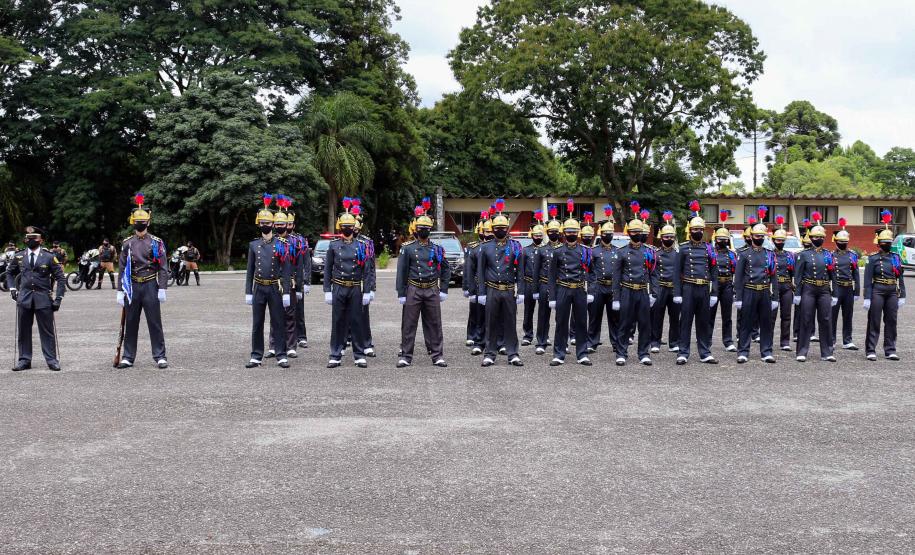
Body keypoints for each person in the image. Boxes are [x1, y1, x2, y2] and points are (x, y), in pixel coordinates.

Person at [116, 193, 169, 369]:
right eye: (137, 221)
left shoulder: (156, 242)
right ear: (133, 222)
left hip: (149, 285)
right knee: (131, 322)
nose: (140, 224)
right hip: (132, 286)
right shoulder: (127, 243)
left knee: (154, 322)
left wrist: (162, 288)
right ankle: (128, 356)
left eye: (143, 221)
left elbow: (162, 267)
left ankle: (160, 355)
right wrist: (119, 290)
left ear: (148, 222)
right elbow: (122, 268)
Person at [396, 203, 451, 367]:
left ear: (430, 230)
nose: (423, 230)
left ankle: (437, 355)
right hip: (414, 288)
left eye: (426, 228)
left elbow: (446, 269)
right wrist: (401, 292)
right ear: (416, 229)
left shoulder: (437, 249)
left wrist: (444, 289)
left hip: (432, 289)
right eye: (421, 227)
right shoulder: (408, 249)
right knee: (409, 324)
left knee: (434, 323)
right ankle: (406, 356)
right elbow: (402, 272)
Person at [324, 198, 376, 368]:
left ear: (355, 227)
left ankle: (359, 354)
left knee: (357, 320)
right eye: (344, 226)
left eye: (350, 226)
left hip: (355, 287)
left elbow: (367, 270)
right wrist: (327, 290)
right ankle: (335, 354)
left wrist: (367, 290)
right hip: (338, 286)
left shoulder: (362, 246)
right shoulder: (333, 245)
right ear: (340, 227)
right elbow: (328, 268)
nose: (347, 229)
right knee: (338, 321)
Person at [6, 226, 66, 371]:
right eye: (28, 238)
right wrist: (13, 289)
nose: (31, 240)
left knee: (47, 331)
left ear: (41, 240)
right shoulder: (19, 256)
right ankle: (24, 360)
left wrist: (58, 298)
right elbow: (9, 273)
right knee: (23, 330)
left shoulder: (49, 257)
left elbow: (61, 278)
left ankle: (51, 360)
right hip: (24, 298)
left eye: (34, 238)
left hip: (43, 298)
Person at [244, 194, 293, 369]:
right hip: (259, 287)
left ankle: (281, 354)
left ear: (273, 224)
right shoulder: (253, 245)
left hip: (275, 287)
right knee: (257, 323)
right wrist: (248, 292)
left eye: (268, 223)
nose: (265, 225)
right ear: (259, 224)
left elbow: (286, 270)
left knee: (278, 321)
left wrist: (286, 292)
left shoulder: (281, 244)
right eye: (262, 223)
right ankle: (256, 355)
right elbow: (250, 271)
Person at [477, 199, 524, 367]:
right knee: (491, 322)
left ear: (507, 229)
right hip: (492, 290)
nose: (500, 231)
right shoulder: (485, 247)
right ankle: (490, 353)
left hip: (509, 289)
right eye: (497, 229)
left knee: (510, 322)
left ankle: (513, 353)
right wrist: (481, 292)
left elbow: (520, 270)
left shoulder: (516, 247)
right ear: (492, 230)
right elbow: (481, 272)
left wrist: (522, 291)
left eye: (503, 228)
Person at [673, 201, 719, 365]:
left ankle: (705, 352)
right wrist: (677, 293)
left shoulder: (709, 249)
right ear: (690, 231)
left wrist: (714, 292)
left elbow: (714, 272)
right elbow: (676, 273)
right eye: (695, 229)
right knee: (685, 321)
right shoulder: (683, 249)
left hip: (704, 289)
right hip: (688, 288)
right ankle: (683, 352)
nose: (698, 232)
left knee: (703, 322)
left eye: (700, 229)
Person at [611, 203, 657, 366]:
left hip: (643, 291)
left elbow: (654, 274)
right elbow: (616, 277)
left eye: (639, 232)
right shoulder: (621, 252)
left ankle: (643, 353)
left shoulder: (649, 251)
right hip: (627, 291)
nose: (637, 234)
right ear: (629, 233)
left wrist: (654, 293)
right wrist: (616, 298)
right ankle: (621, 352)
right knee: (624, 323)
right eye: (634, 232)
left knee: (645, 324)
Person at [547, 214, 593, 366]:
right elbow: (552, 276)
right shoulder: (558, 251)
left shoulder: (586, 251)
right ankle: (559, 354)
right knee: (561, 322)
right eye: (569, 231)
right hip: (563, 289)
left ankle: (582, 354)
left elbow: (592, 273)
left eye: (574, 231)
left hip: (580, 289)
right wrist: (552, 297)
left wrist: (590, 291)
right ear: (564, 233)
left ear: (578, 232)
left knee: (581, 322)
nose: (572, 234)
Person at [793, 213, 837, 362]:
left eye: (821, 237)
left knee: (826, 319)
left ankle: (827, 352)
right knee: (806, 319)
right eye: (816, 237)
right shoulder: (803, 255)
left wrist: (835, 293)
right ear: (811, 238)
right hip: (808, 289)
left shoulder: (828, 255)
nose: (819, 239)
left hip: (824, 289)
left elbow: (833, 275)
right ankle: (802, 351)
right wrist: (797, 293)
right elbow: (798, 276)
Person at [734, 221, 777, 363]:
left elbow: (773, 276)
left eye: (762, 235)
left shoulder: (769, 254)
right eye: (757, 235)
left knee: (766, 323)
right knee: (746, 322)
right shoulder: (744, 254)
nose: (759, 238)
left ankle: (766, 352)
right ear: (751, 236)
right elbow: (738, 277)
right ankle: (743, 351)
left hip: (764, 291)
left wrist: (775, 296)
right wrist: (738, 297)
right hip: (749, 291)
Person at [864, 218, 906, 361]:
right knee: (874, 320)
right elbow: (867, 280)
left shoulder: (896, 258)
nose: (887, 244)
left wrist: (902, 295)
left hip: (892, 291)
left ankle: (890, 349)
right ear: (879, 244)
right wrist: (867, 297)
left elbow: (900, 277)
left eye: (889, 242)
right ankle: (870, 349)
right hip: (878, 290)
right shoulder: (873, 258)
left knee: (891, 320)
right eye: (885, 242)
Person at [266, 203, 298, 360]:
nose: (279, 226)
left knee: (290, 315)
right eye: (277, 224)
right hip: (272, 282)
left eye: (282, 224)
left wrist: (300, 284)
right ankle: (273, 345)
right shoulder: (269, 241)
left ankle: (291, 346)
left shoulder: (294, 242)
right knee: (274, 315)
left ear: (287, 224)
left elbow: (298, 264)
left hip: (289, 282)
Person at [586, 207, 619, 356]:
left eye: (610, 234)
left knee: (615, 318)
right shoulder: (593, 251)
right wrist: (591, 288)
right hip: (598, 287)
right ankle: (592, 342)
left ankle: (616, 342)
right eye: (606, 233)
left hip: (612, 288)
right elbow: (589, 271)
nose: (608, 236)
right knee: (594, 316)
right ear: (601, 234)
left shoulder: (617, 251)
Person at [531, 207, 561, 355]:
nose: (553, 233)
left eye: (556, 231)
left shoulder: (563, 249)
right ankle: (541, 342)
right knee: (543, 315)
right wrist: (535, 289)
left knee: (561, 316)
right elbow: (536, 272)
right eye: (551, 231)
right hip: (544, 285)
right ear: (547, 233)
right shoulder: (541, 250)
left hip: (560, 286)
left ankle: (562, 343)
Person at [650, 213, 680, 354]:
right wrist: (654, 291)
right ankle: (655, 342)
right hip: (660, 288)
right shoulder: (655, 254)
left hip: (674, 289)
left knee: (675, 317)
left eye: (671, 237)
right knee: (657, 317)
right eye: (667, 237)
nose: (669, 239)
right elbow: (653, 274)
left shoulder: (678, 254)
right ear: (661, 238)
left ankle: (673, 342)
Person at [831, 219, 860, 350]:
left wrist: (857, 291)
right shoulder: (830, 256)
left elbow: (856, 274)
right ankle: (831, 340)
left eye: (845, 242)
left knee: (848, 315)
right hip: (836, 288)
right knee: (832, 316)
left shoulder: (852, 256)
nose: (843, 244)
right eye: (841, 242)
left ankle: (847, 340)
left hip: (848, 288)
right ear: (836, 242)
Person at [710, 215, 737, 352]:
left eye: (725, 239)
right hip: (714, 285)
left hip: (727, 284)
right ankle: (707, 340)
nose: (723, 241)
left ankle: (728, 341)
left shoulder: (732, 254)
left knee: (727, 315)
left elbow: (735, 270)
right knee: (710, 314)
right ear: (716, 239)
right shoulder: (710, 252)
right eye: (721, 239)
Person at [286, 207, 311, 349]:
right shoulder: (277, 239)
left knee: (298, 310)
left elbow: (306, 261)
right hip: (281, 280)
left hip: (297, 279)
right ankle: (286, 336)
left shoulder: (300, 240)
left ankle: (301, 336)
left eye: (290, 224)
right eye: (285, 224)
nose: (287, 227)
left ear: (293, 225)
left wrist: (307, 281)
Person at [771, 216, 796, 352]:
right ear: (773, 240)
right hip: (773, 288)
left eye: (782, 240)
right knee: (771, 315)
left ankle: (785, 341)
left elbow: (793, 273)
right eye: (778, 240)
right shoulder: (769, 255)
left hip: (786, 287)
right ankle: (768, 339)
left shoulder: (790, 256)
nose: (780, 242)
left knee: (786, 315)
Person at [521, 212, 546, 347]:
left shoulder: (546, 250)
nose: (538, 237)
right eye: (536, 235)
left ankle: (543, 335)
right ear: (532, 236)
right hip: (529, 283)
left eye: (540, 236)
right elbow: (521, 269)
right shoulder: (525, 251)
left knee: (543, 311)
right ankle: (528, 335)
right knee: (528, 311)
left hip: (542, 283)